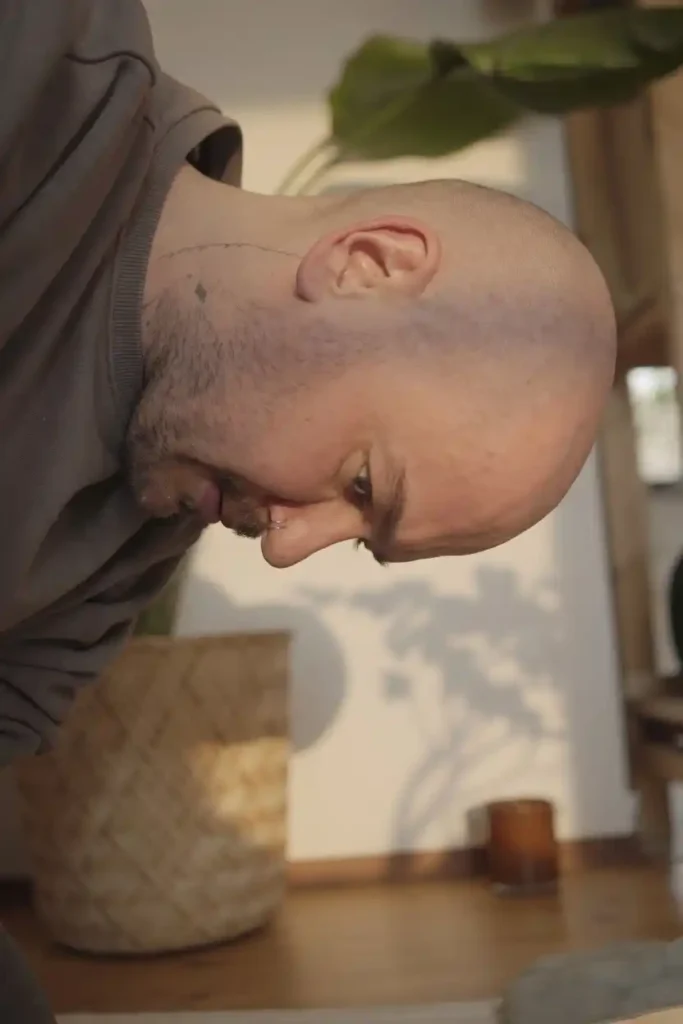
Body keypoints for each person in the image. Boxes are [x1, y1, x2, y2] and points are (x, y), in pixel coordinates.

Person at [0, 1, 615, 1019]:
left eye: (361, 539)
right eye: (362, 485)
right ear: (365, 263)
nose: (285, 548)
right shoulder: (44, 61)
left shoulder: (140, 525)